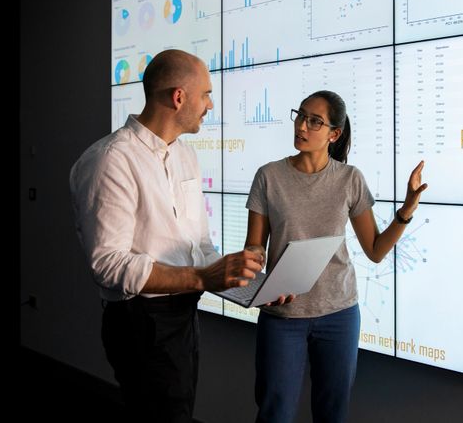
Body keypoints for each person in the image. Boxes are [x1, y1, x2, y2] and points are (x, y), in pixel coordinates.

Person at [69, 49, 264, 423]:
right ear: (179, 97)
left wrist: (247, 284)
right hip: (140, 321)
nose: (210, 104)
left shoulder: (185, 156)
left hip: (182, 314)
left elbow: (198, 246)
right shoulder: (111, 159)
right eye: (206, 94)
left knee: (178, 411)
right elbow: (108, 264)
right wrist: (200, 278)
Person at [243, 90, 427, 423]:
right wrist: (253, 262)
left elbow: (375, 250)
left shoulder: (349, 179)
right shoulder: (268, 176)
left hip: (339, 315)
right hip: (282, 314)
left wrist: (406, 210)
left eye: (315, 121)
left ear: (334, 134)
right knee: (275, 413)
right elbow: (254, 247)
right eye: (300, 116)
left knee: (332, 415)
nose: (302, 126)